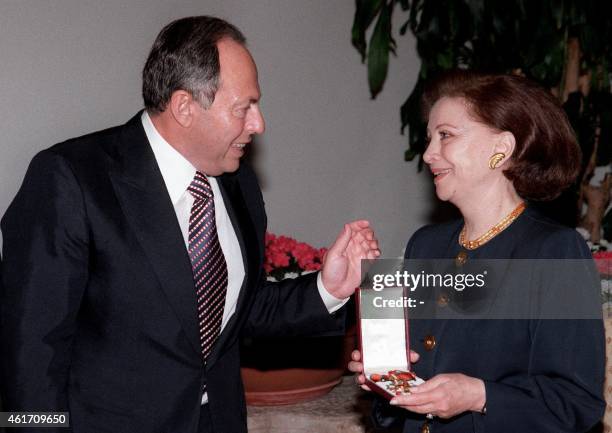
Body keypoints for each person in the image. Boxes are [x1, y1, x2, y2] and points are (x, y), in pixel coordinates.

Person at [0, 16, 380, 433]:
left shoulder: (238, 184)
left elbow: (237, 310)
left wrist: (329, 288)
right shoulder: (72, 178)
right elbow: (30, 352)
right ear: (184, 107)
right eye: (244, 108)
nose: (259, 124)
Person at [349, 71, 605, 432]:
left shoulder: (556, 251)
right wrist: (387, 380)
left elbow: (576, 403)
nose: (428, 154)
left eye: (446, 136)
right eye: (429, 138)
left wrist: (479, 395)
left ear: (501, 149)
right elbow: (405, 399)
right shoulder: (426, 244)